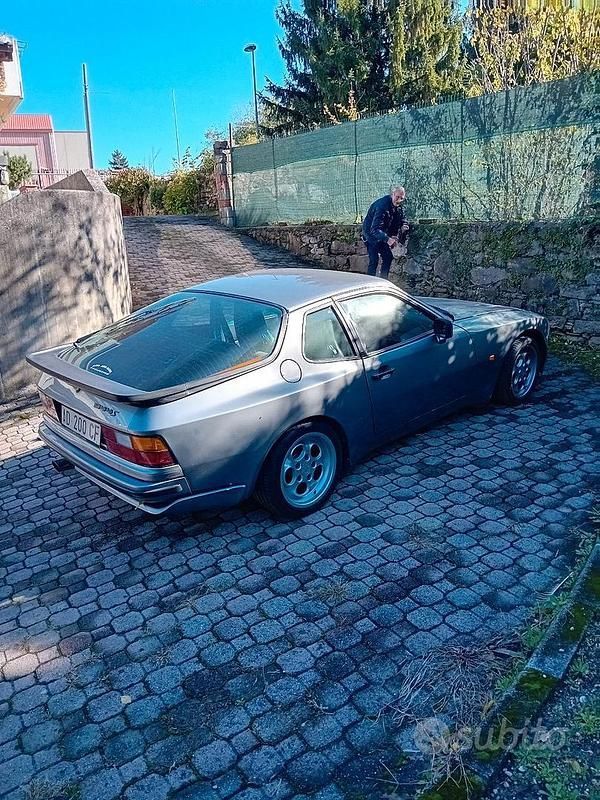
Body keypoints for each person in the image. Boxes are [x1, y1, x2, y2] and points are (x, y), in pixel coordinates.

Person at [362, 185, 409, 279]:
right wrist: (388, 239)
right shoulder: (381, 206)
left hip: (383, 234)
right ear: (392, 194)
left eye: (402, 198)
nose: (399, 200)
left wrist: (404, 225)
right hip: (371, 235)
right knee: (374, 260)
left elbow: (401, 218)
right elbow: (374, 229)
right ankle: (369, 283)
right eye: (397, 197)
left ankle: (383, 281)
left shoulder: (398, 205)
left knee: (388, 257)